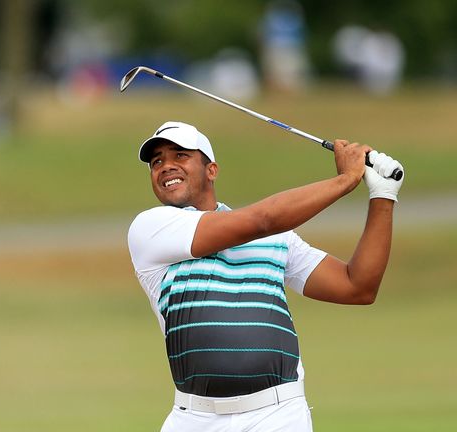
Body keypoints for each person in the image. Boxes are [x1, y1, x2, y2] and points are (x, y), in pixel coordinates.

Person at [127, 121, 404, 431]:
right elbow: (262, 219)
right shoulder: (150, 229)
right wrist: (346, 179)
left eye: (180, 155)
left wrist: (383, 195)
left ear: (211, 170)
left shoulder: (276, 238)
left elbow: (357, 287)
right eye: (157, 161)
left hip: (277, 416)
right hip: (194, 418)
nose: (166, 166)